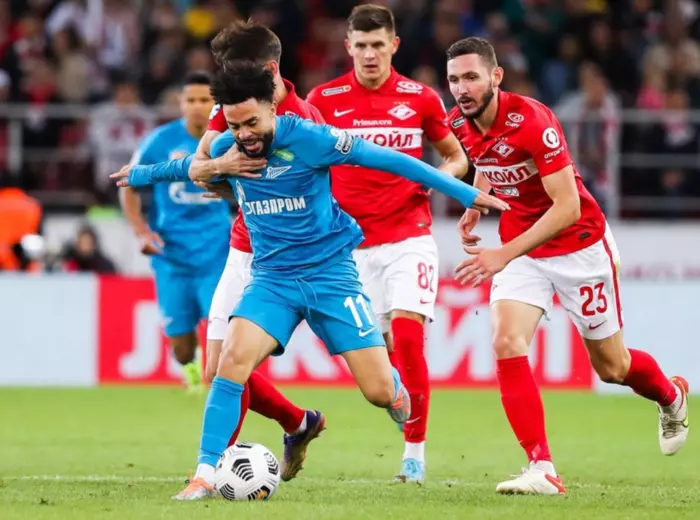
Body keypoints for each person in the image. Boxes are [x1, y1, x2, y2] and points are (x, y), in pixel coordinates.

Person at [114, 61, 508, 500]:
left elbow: (396, 161)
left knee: (379, 392)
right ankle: (205, 474)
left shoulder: (312, 138)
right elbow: (189, 167)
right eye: (235, 125)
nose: (244, 134)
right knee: (230, 363)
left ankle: (395, 391)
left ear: (272, 107)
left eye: (252, 122)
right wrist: (141, 174)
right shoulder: (228, 148)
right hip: (272, 282)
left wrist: (467, 192)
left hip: (330, 277)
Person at [446, 37, 689, 496]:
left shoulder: (533, 121)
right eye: (455, 79)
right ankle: (541, 466)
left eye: (471, 77)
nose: (462, 88)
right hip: (523, 248)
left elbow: (568, 207)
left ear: (496, 77)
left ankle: (670, 394)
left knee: (612, 367)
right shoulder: (459, 120)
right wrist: (476, 202)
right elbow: (487, 158)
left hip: (579, 246)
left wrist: (503, 253)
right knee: (506, 339)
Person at [111, 21, 326, 482]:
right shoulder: (226, 109)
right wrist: (219, 169)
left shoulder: (304, 119)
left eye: (232, 68)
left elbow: (310, 189)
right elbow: (202, 167)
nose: (224, 82)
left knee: (231, 365)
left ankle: (211, 472)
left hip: (279, 259)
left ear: (267, 69)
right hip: (233, 249)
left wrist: (222, 175)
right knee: (214, 366)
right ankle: (297, 422)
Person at [306, 4, 469, 483]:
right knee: (374, 356)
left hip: (408, 236)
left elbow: (456, 157)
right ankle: (398, 396)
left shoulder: (420, 98)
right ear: (348, 47)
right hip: (349, 247)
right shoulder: (323, 99)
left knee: (409, 336)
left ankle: (413, 456)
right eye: (361, 45)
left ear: (394, 45)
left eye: (378, 45)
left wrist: (434, 179)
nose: (370, 54)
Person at [119, 70, 229, 394]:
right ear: (181, 102)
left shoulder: (227, 140)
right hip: (172, 254)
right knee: (181, 346)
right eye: (191, 100)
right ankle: (190, 367)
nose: (197, 106)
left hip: (217, 253)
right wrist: (141, 231)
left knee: (222, 330)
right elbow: (128, 182)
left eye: (204, 100)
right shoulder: (160, 141)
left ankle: (222, 387)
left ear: (215, 104)